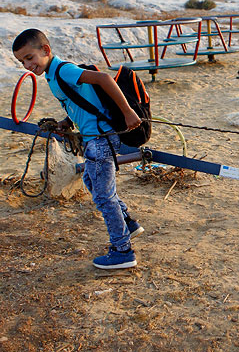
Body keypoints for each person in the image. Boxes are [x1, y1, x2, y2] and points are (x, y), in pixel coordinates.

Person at [12, 28, 144, 269]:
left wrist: (128, 112)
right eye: (22, 61)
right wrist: (67, 122)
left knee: (103, 196)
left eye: (30, 58)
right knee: (92, 182)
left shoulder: (63, 70)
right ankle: (127, 222)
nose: (27, 65)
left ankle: (122, 251)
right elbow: (79, 102)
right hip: (92, 138)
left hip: (101, 138)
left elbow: (104, 79)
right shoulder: (53, 76)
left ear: (46, 50)